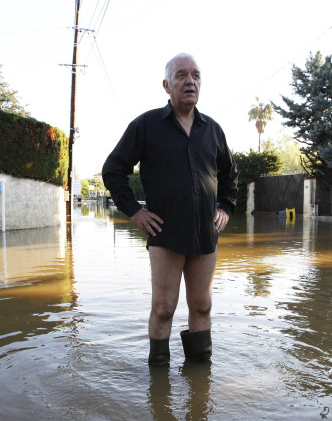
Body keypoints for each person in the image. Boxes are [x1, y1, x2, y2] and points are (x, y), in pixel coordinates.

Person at [102, 53, 238, 366]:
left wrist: (226, 207)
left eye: (196, 75)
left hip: (205, 233)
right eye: (181, 75)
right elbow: (113, 169)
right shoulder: (146, 125)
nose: (190, 81)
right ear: (166, 85)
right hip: (165, 232)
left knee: (202, 305)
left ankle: (199, 377)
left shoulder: (213, 131)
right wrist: (135, 211)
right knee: (164, 306)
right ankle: (158, 379)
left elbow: (230, 175)